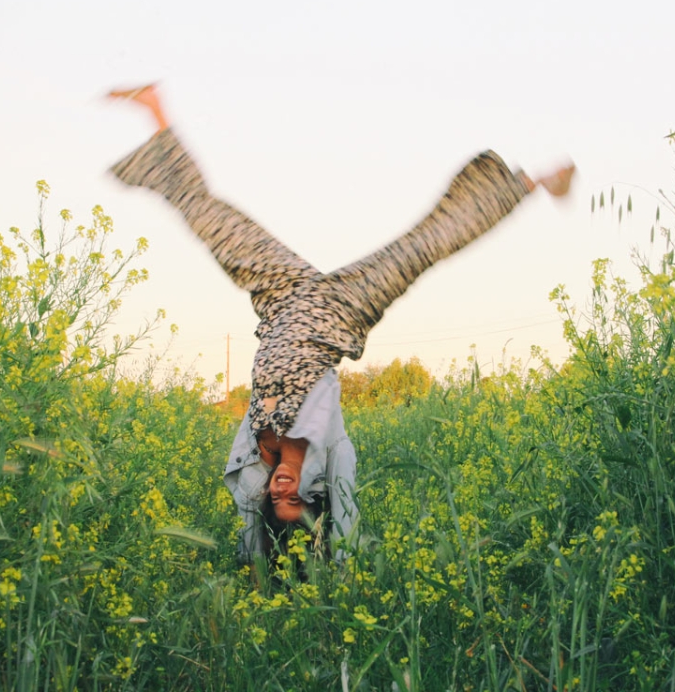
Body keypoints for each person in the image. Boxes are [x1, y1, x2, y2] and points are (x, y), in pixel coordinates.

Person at [107, 83, 574, 565]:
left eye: (278, 499)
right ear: (313, 491)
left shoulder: (256, 456)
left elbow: (251, 526)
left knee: (217, 225)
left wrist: (258, 566)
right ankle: (536, 182)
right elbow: (343, 520)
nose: (285, 491)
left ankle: (156, 111)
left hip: (279, 296)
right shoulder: (326, 445)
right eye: (297, 499)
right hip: (338, 312)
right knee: (422, 246)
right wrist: (341, 568)